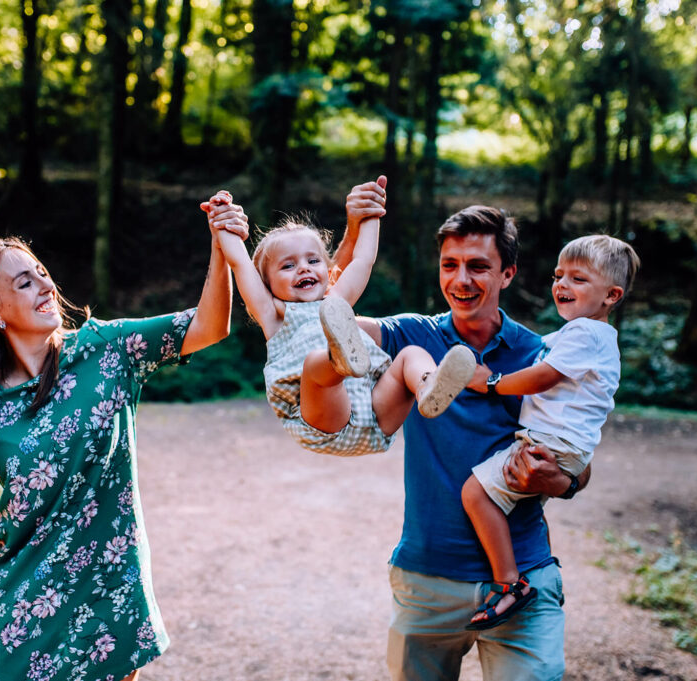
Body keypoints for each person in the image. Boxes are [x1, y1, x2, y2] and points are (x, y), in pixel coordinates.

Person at [0, 199, 246, 681]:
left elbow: (209, 326)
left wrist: (221, 249)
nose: (46, 285)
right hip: (22, 609)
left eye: (41, 273)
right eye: (24, 282)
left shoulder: (109, 350)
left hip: (110, 596)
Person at [336, 195, 590, 681]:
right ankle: (430, 380)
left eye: (478, 266)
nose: (461, 279)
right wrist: (354, 230)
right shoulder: (412, 334)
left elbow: (582, 461)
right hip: (427, 580)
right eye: (449, 265)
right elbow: (329, 317)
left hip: (525, 579)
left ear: (507, 274)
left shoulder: (542, 356)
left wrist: (560, 480)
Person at [203, 177, 477, 458]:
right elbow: (240, 263)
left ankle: (428, 386)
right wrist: (223, 220)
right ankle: (338, 359)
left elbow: (363, 260)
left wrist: (372, 215)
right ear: (267, 284)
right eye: (288, 265)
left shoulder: (336, 301)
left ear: (328, 270)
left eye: (313, 261)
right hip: (326, 420)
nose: (303, 268)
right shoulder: (273, 315)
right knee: (315, 363)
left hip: (376, 411)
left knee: (411, 355)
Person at [460, 234, 640, 630]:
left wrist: (490, 382)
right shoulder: (584, 336)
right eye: (558, 276)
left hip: (550, 444)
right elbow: (542, 353)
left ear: (611, 296)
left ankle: (509, 583)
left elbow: (543, 376)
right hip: (566, 447)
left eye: (578, 278)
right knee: (505, 500)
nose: (562, 284)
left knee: (476, 493)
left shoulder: (585, 334)